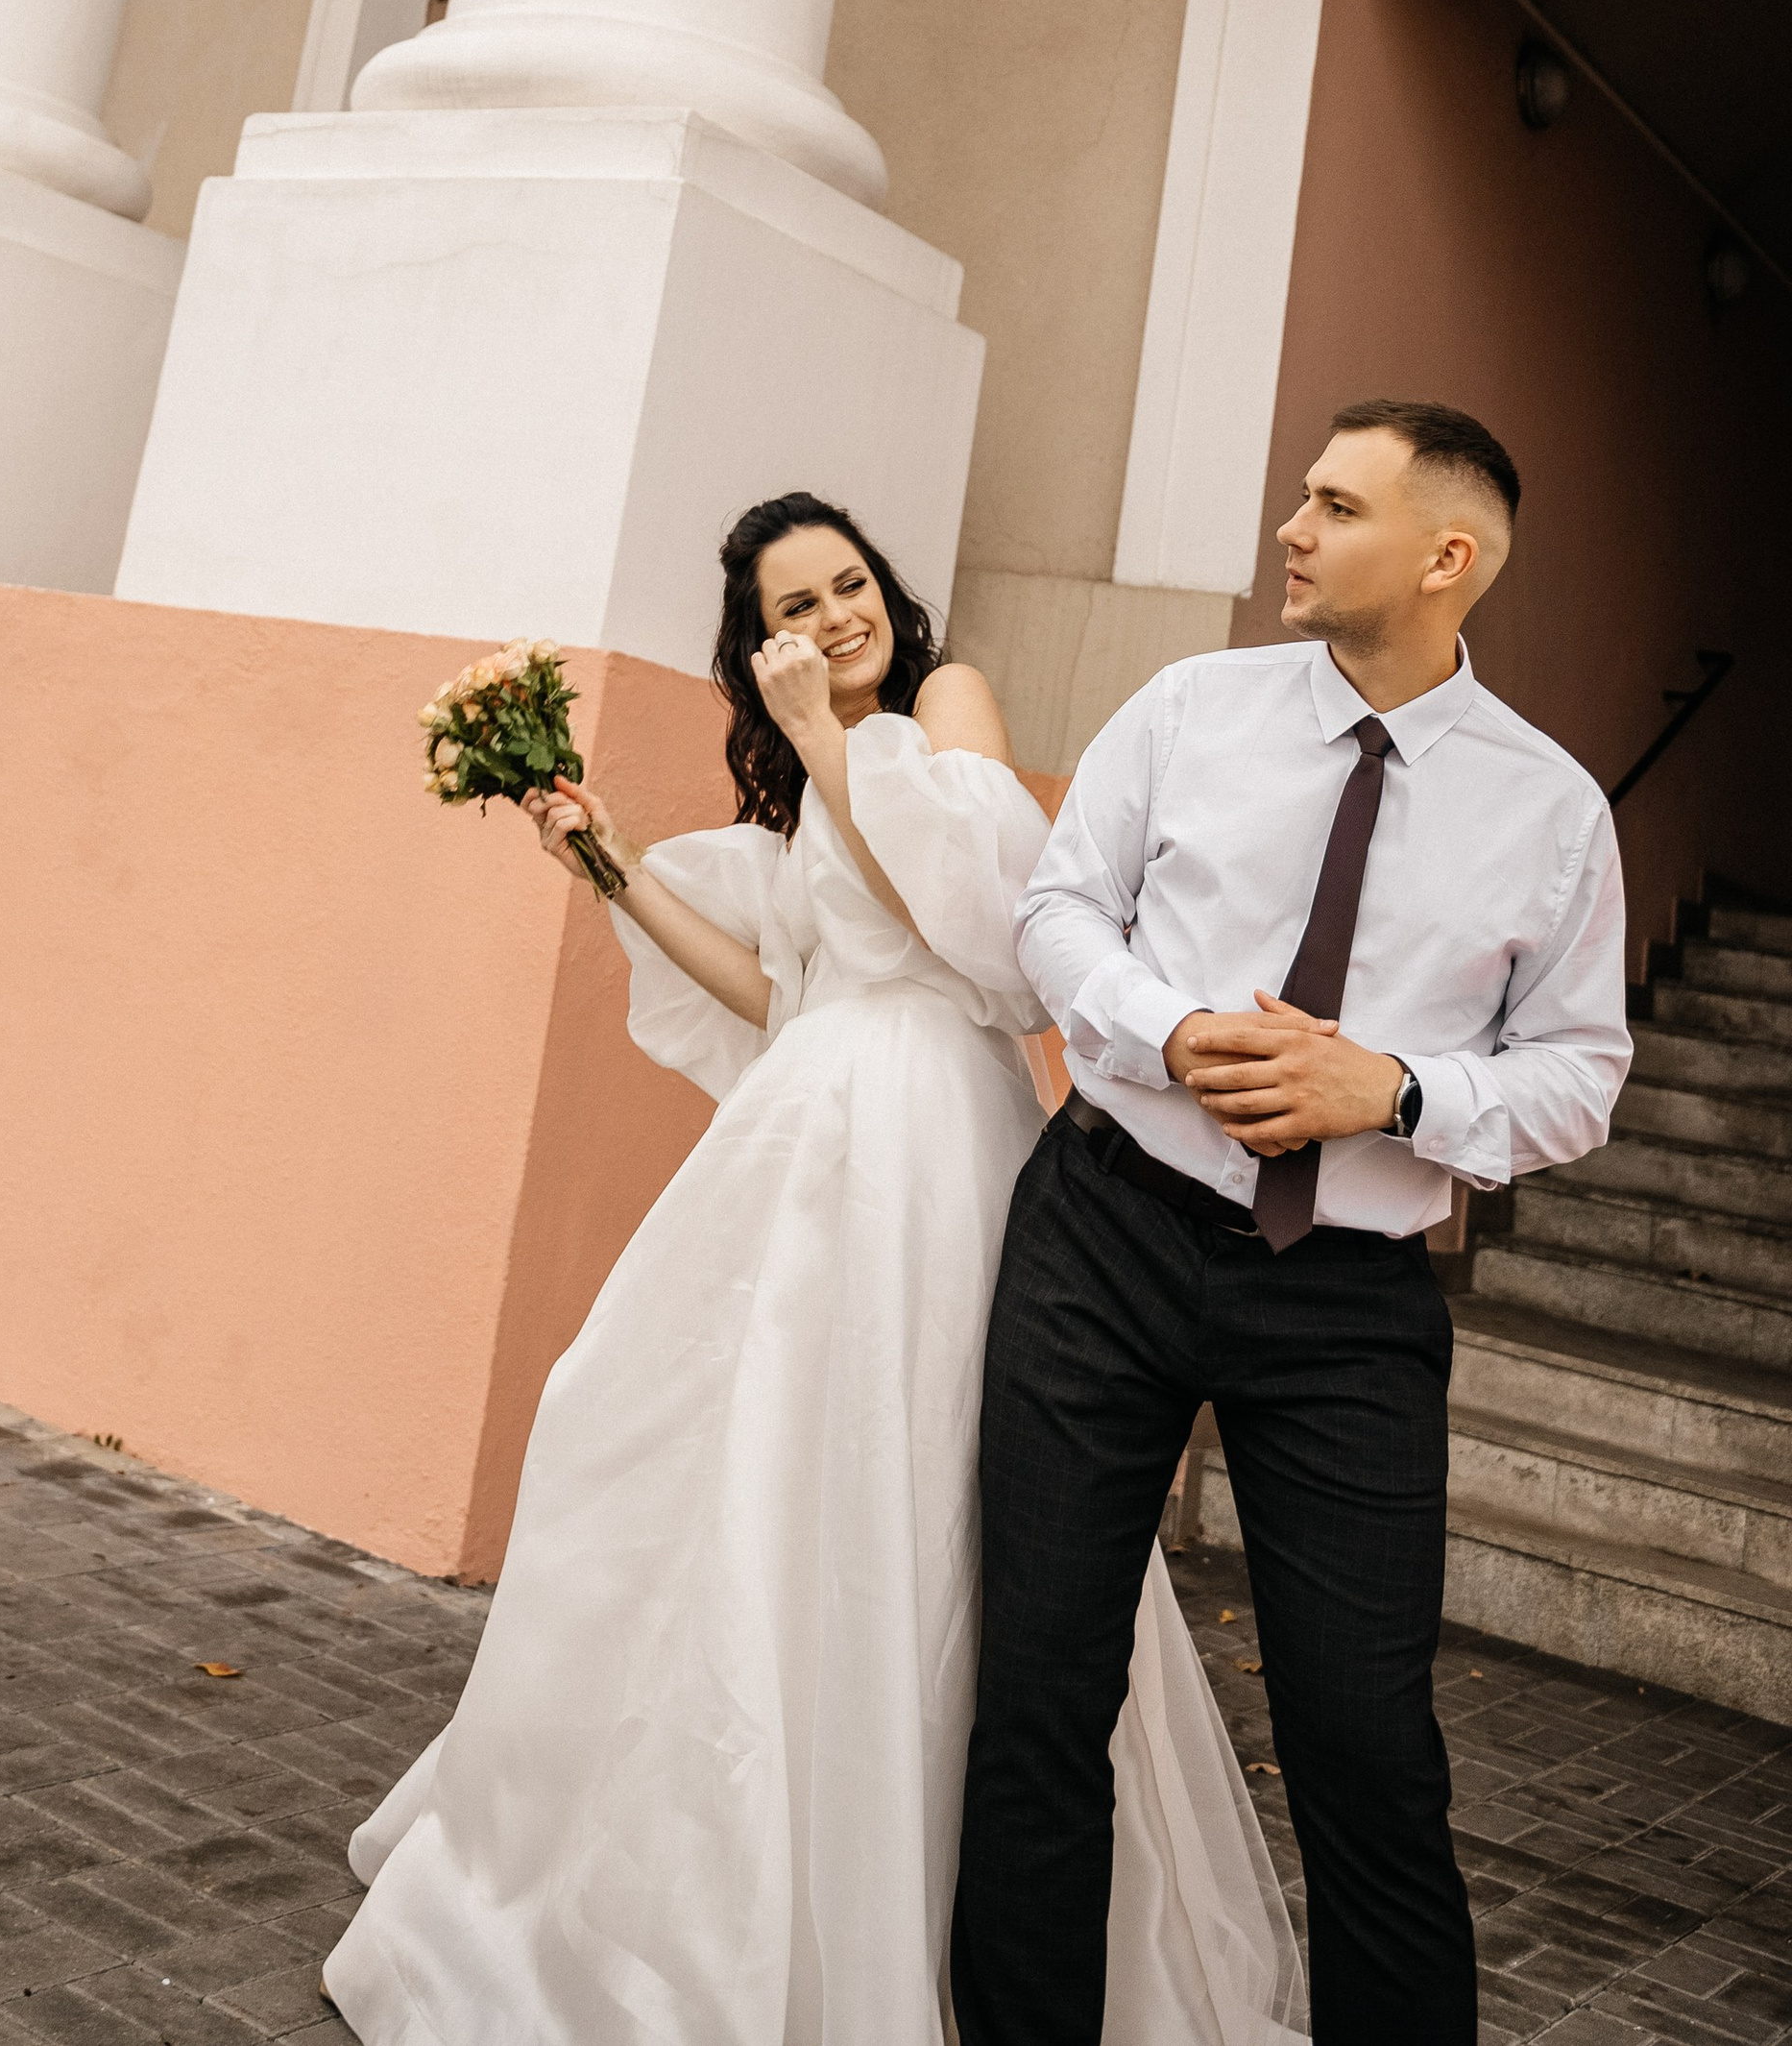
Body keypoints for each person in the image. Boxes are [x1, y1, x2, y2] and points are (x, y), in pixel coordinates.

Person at [325, 491, 1305, 2046]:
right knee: (703, 1462)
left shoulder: (943, 705)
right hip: (802, 1135)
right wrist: (609, 863)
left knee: (917, 1485)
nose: (838, 615)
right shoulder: (802, 781)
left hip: (936, 1139)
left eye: (851, 585)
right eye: (799, 604)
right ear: (761, 636)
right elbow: (781, 992)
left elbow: (983, 934)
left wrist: (832, 738)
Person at [961, 400, 1632, 2046]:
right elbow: (1059, 906)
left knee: (1365, 1745)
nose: (1292, 526)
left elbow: (1582, 1076)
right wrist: (1167, 1034)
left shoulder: (1554, 815)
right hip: (1103, 1235)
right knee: (1042, 1694)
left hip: (1347, 1303)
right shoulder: (1191, 706)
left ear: (1446, 557)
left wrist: (1390, 1093)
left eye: (1336, 505)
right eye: (1302, 496)